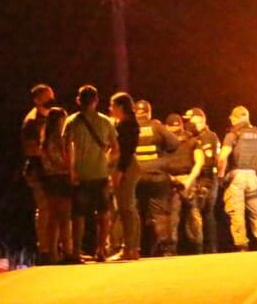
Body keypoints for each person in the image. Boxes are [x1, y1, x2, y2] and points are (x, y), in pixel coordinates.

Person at [63, 85, 118, 261]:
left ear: (79, 100)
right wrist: (105, 161)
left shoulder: (71, 121)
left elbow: (66, 148)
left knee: (78, 215)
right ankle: (101, 250)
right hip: (101, 174)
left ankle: (76, 251)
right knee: (103, 214)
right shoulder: (106, 121)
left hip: (80, 175)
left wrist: (71, 171)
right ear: (96, 101)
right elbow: (116, 149)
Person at [217, 106, 257, 251]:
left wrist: (220, 175)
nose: (231, 120)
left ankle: (241, 245)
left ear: (236, 118)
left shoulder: (233, 135)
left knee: (236, 212)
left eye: (232, 118)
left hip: (236, 177)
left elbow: (223, 157)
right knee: (256, 212)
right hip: (253, 177)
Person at [134, 99, 180, 256]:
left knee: (133, 212)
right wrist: (163, 159)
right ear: (149, 112)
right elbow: (174, 143)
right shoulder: (157, 127)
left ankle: (134, 248)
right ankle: (167, 249)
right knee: (160, 213)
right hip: (157, 175)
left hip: (136, 177)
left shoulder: (129, 128)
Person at [38, 108, 76, 264]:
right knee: (63, 217)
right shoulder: (55, 140)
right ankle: (66, 252)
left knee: (55, 218)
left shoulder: (46, 140)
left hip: (51, 179)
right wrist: (72, 169)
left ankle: (54, 252)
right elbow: (60, 161)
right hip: (60, 179)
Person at [163, 113, 204, 254]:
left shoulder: (191, 140)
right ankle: (192, 248)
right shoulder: (192, 140)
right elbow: (199, 163)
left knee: (178, 215)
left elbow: (199, 162)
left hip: (181, 179)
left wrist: (187, 180)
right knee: (184, 215)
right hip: (179, 179)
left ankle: (173, 249)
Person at [21, 84, 55, 252]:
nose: (51, 102)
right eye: (46, 99)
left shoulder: (51, 116)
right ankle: (45, 248)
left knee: (55, 209)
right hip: (38, 171)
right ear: (37, 100)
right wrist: (48, 152)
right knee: (44, 209)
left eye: (51, 98)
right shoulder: (32, 121)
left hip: (52, 170)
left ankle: (56, 246)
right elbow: (30, 149)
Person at [108, 92, 141, 260]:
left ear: (120, 107)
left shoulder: (126, 125)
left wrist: (119, 171)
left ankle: (130, 248)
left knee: (126, 208)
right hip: (128, 165)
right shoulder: (127, 124)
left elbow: (126, 151)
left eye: (112, 105)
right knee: (127, 208)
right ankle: (131, 247)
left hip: (126, 167)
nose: (110, 109)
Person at [182, 108, 220, 254]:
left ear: (201, 121)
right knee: (199, 213)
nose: (189, 125)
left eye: (192, 122)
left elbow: (208, 162)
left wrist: (204, 184)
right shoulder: (195, 137)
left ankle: (210, 248)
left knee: (207, 213)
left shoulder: (208, 136)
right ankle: (202, 247)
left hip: (207, 178)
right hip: (201, 178)